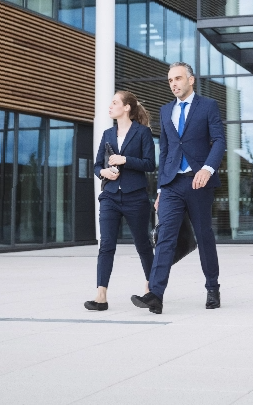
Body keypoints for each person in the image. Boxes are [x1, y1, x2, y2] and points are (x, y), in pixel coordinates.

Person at [131, 62, 225, 315]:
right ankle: (156, 295)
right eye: (170, 80)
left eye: (178, 79)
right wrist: (161, 189)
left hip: (198, 181)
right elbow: (166, 150)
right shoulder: (165, 111)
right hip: (172, 183)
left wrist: (208, 169)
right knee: (164, 238)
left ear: (191, 80)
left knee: (204, 235)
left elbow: (219, 140)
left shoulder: (208, 106)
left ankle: (213, 288)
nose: (174, 84)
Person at [84, 91, 156, 311]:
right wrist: (104, 172)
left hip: (136, 196)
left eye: (115, 102)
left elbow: (150, 164)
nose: (110, 106)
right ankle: (101, 296)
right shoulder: (107, 134)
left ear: (126, 107)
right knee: (106, 245)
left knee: (143, 244)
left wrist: (126, 160)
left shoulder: (142, 132)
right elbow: (96, 165)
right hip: (110, 197)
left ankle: (152, 290)